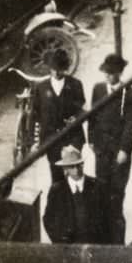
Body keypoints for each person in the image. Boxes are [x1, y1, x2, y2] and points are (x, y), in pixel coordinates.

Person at [87, 53, 132, 246]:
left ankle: (116, 228)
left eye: (111, 73)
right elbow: (92, 115)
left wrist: (124, 149)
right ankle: (103, 225)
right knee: (102, 184)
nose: (107, 76)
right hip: (101, 148)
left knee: (117, 189)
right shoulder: (98, 89)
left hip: (119, 151)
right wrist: (91, 139)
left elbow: (130, 124)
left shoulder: (129, 93)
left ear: (119, 73)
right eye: (105, 73)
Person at [31, 49, 86, 183]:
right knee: (57, 178)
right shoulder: (41, 88)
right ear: (49, 68)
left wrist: (76, 118)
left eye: (60, 69)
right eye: (53, 69)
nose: (56, 73)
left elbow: (81, 109)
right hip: (51, 141)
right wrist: (35, 141)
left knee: (74, 177)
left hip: (72, 139)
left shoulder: (75, 85)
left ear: (65, 69)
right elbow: (36, 115)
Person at [41, 145, 111, 245]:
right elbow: (48, 219)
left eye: (79, 165)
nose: (76, 169)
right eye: (72, 166)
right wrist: (60, 241)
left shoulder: (97, 186)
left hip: (93, 245)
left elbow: (107, 218)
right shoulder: (57, 190)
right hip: (67, 247)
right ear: (65, 169)